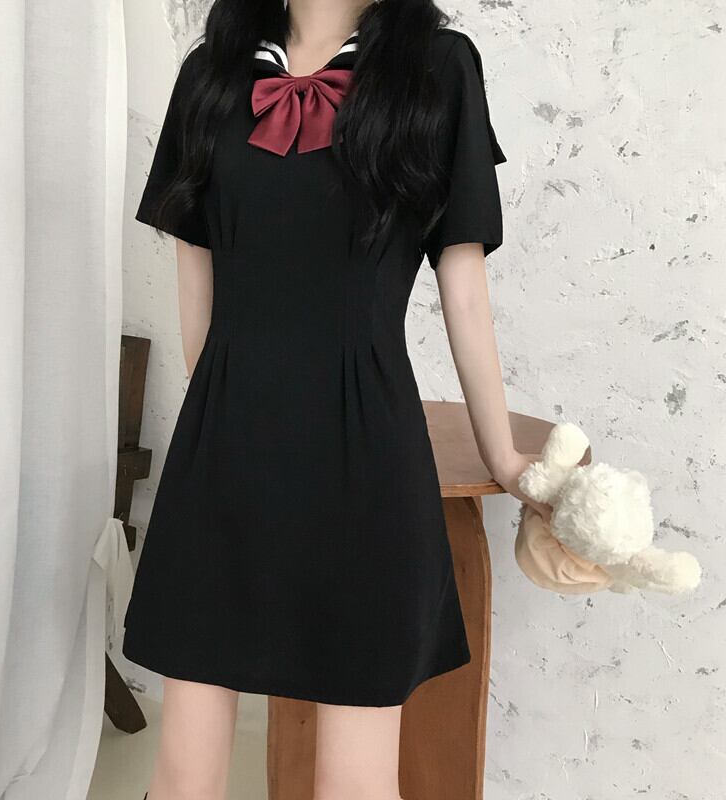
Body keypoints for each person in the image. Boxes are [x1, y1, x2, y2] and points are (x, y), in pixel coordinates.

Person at [125, 1, 550, 798]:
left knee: (354, 782)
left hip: (365, 453)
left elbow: (463, 286)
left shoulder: (436, 69)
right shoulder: (211, 76)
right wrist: (219, 422)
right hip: (226, 450)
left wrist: (503, 456)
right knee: (183, 776)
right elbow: (197, 278)